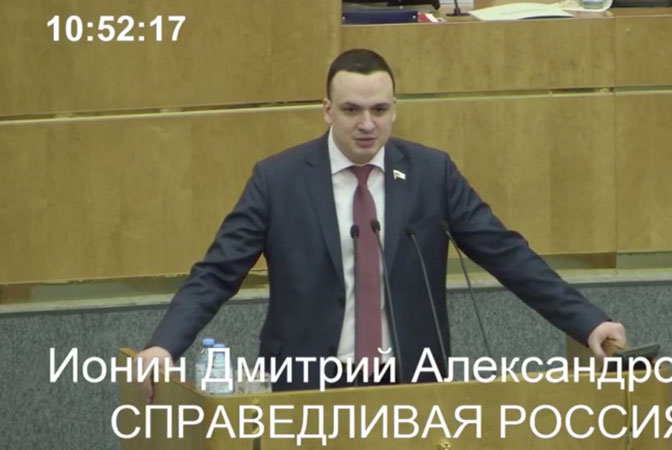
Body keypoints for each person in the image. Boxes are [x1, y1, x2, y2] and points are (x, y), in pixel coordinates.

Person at [136, 48, 625, 401]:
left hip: (410, 381)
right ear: (327, 111)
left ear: (395, 110)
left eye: (379, 110)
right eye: (351, 110)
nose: (366, 124)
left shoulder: (431, 174)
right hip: (307, 386)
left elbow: (507, 254)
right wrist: (164, 345)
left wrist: (587, 322)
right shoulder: (278, 180)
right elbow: (216, 273)